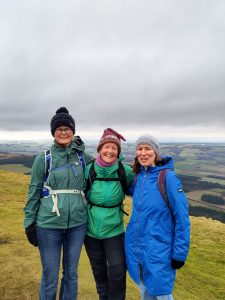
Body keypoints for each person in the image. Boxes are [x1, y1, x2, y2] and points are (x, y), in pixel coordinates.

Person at [24, 107, 94, 300]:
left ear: (73, 131)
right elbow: (33, 192)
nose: (64, 132)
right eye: (59, 129)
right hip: (48, 225)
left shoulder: (81, 157)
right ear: (53, 132)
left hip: (77, 225)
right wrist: (29, 223)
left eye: (67, 128)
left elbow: (105, 163)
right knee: (50, 275)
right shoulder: (44, 158)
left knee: (71, 274)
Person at [125, 135, 190, 300]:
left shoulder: (167, 178)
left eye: (148, 148)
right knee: (144, 292)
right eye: (140, 149)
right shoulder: (139, 177)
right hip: (139, 250)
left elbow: (182, 219)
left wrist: (180, 254)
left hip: (160, 252)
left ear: (156, 152)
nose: (143, 153)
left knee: (162, 295)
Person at [84, 128, 134, 300]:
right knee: (98, 269)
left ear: (118, 151)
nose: (110, 151)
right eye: (107, 147)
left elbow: (139, 188)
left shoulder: (124, 171)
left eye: (114, 148)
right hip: (90, 229)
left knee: (118, 270)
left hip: (114, 229)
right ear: (100, 149)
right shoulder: (88, 169)